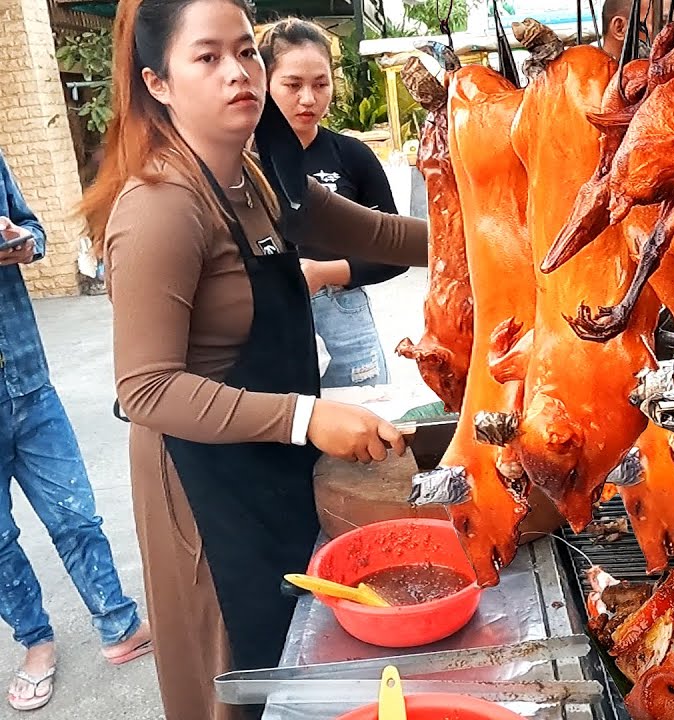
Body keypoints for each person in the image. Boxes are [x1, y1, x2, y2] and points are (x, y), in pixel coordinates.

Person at [80, 0, 433, 717]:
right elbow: (146, 389)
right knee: (240, 684)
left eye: (245, 51)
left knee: (294, 655)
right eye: (207, 58)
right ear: (158, 83)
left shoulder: (257, 180)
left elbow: (389, 237)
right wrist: (309, 416)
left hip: (266, 466)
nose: (238, 72)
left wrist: (503, 232)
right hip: (203, 493)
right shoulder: (160, 206)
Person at [0, 148, 152, 711]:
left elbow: (34, 229)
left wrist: (24, 240)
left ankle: (119, 624)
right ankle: (36, 642)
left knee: (75, 514)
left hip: (27, 377)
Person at [260, 19, 408, 388]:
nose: (308, 98)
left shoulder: (352, 155)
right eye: (292, 85)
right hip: (267, 316)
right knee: (289, 428)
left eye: (320, 84)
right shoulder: (241, 160)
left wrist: (326, 274)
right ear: (262, 82)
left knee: (363, 425)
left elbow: (395, 252)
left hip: (345, 313)